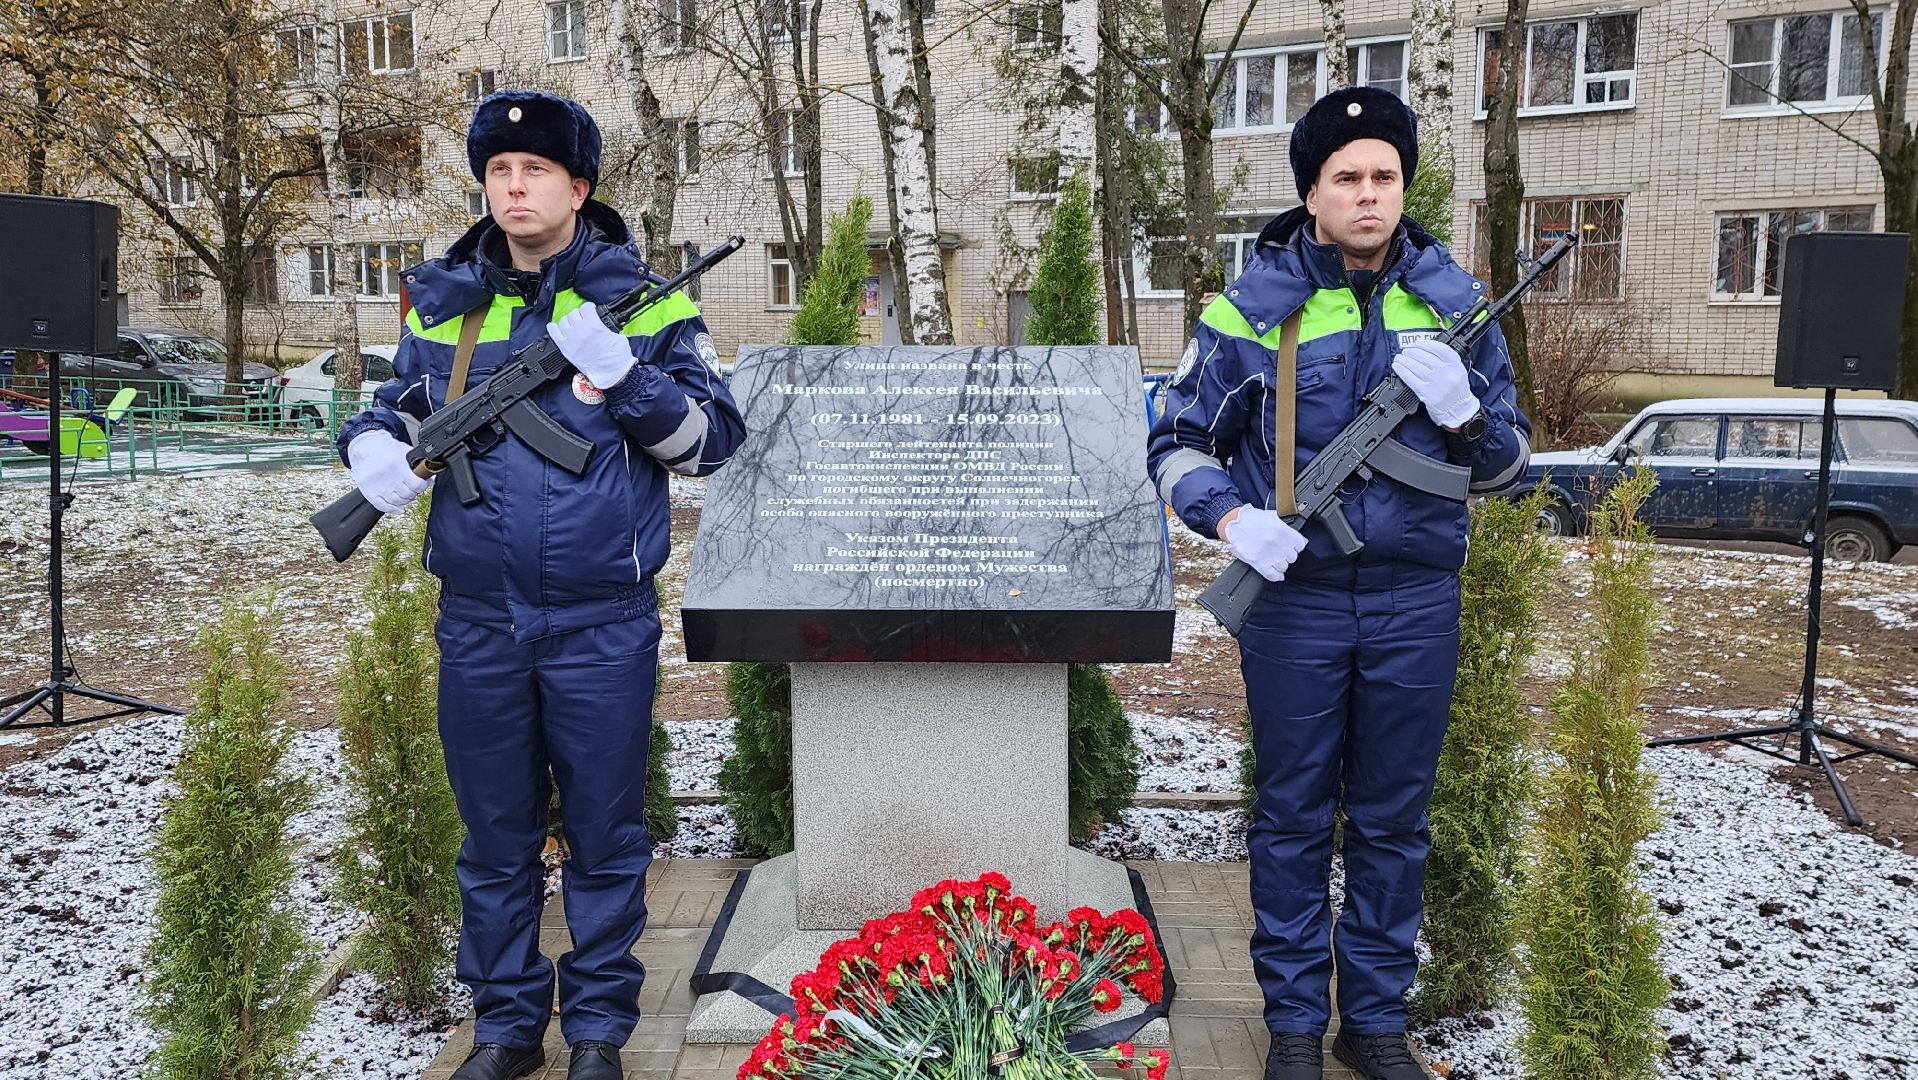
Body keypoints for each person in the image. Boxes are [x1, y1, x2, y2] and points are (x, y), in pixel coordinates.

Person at [338, 89, 745, 1080]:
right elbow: (392, 406)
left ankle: (598, 1029)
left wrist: (630, 377)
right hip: (477, 620)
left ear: (578, 186)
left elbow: (711, 443)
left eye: (533, 172)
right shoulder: (447, 301)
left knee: (605, 836)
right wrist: (368, 453)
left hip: (599, 621)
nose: (512, 187)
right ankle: (510, 1026)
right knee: (494, 838)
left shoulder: (645, 301)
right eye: (497, 173)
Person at [1145, 86, 1531, 1080]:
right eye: (1346, 178)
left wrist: (1466, 420)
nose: (1368, 195)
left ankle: (1371, 1021)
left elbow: (1504, 467)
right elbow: (1177, 439)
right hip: (1296, 602)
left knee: (1394, 818)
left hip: (1414, 599)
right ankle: (1288, 1025)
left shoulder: (1455, 304)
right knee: (1292, 815)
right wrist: (1230, 518)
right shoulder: (1249, 310)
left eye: (1383, 177)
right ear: (1311, 193)